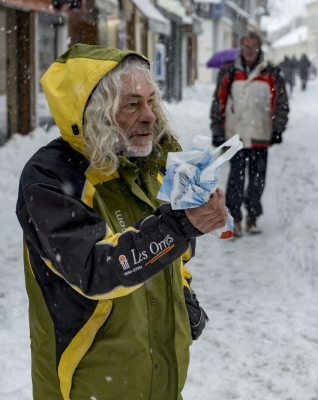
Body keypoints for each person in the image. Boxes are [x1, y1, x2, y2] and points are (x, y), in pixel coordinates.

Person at [16, 44, 228, 399]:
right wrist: (179, 225)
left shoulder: (151, 160)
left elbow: (176, 254)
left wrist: (184, 297)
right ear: (95, 113)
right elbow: (94, 269)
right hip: (87, 381)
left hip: (159, 373)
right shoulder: (50, 177)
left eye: (150, 101)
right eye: (131, 104)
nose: (149, 116)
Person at [210, 32, 289, 236]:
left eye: (253, 47)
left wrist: (278, 128)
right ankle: (234, 218)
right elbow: (218, 103)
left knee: (257, 180)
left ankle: (252, 216)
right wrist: (217, 131)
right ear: (240, 48)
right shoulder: (229, 72)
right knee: (235, 179)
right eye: (245, 46)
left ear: (259, 49)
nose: (249, 51)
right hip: (235, 135)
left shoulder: (271, 72)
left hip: (261, 135)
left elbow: (281, 103)